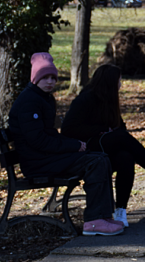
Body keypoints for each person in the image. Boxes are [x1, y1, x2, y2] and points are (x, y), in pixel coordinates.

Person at [8, 53, 123, 236]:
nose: (50, 81)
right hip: (37, 162)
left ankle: (103, 216)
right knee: (95, 162)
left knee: (100, 157)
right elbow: (38, 141)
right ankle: (94, 221)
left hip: (45, 158)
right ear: (35, 78)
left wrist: (75, 143)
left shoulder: (44, 98)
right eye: (45, 77)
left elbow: (51, 135)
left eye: (53, 77)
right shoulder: (29, 102)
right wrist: (74, 146)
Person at [61, 64, 145, 227]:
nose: (121, 85)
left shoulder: (108, 99)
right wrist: (101, 130)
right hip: (86, 150)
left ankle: (120, 211)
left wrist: (112, 132)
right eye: (119, 81)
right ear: (109, 82)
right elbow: (68, 129)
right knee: (121, 138)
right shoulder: (86, 98)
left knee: (126, 158)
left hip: (102, 147)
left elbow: (120, 128)